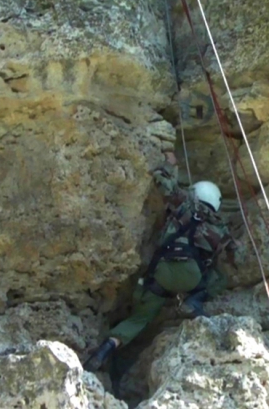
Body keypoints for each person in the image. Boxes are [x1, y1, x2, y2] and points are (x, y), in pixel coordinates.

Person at [84, 151, 238, 372]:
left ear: (196, 192)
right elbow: (235, 259)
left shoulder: (184, 203)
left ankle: (105, 349)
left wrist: (170, 163)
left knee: (140, 319)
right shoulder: (220, 228)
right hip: (192, 277)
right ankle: (193, 301)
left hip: (161, 272)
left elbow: (162, 180)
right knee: (219, 277)